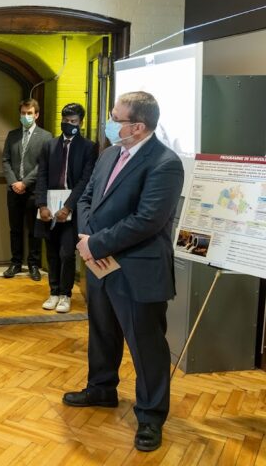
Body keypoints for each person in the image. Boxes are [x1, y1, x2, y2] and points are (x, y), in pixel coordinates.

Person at [64, 91, 184, 452]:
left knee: (146, 346)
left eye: (116, 119)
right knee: (102, 331)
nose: (109, 123)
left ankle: (150, 416)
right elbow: (86, 198)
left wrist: (96, 244)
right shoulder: (109, 155)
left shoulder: (164, 163)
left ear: (138, 126)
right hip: (99, 264)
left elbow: (148, 220)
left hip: (137, 269)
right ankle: (101, 388)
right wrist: (88, 238)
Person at [35, 103, 98, 313]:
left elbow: (85, 180)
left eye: (73, 121)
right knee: (51, 252)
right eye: (65, 120)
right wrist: (42, 205)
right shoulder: (49, 145)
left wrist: (69, 207)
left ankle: (65, 294)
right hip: (50, 206)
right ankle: (53, 292)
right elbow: (41, 176)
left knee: (66, 253)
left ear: (80, 122)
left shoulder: (88, 147)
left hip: (72, 207)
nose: (68, 124)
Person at [2, 98, 52, 281]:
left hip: (33, 191)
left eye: (29, 113)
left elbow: (43, 165)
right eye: (23, 113)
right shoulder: (12, 135)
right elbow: (5, 160)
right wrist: (14, 182)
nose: (26, 116)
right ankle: (15, 263)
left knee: (34, 230)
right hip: (13, 190)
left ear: (36, 114)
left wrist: (25, 183)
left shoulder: (46, 137)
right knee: (15, 229)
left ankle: (33, 264)